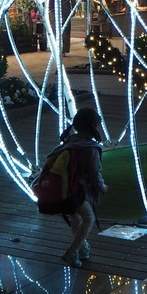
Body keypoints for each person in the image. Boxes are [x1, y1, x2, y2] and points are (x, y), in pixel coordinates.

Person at [58, 107, 108, 267]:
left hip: (61, 188)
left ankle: (83, 248)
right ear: (94, 125)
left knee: (76, 217)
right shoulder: (90, 148)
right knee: (89, 218)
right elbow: (94, 172)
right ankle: (72, 252)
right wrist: (102, 187)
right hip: (76, 191)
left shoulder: (69, 141)